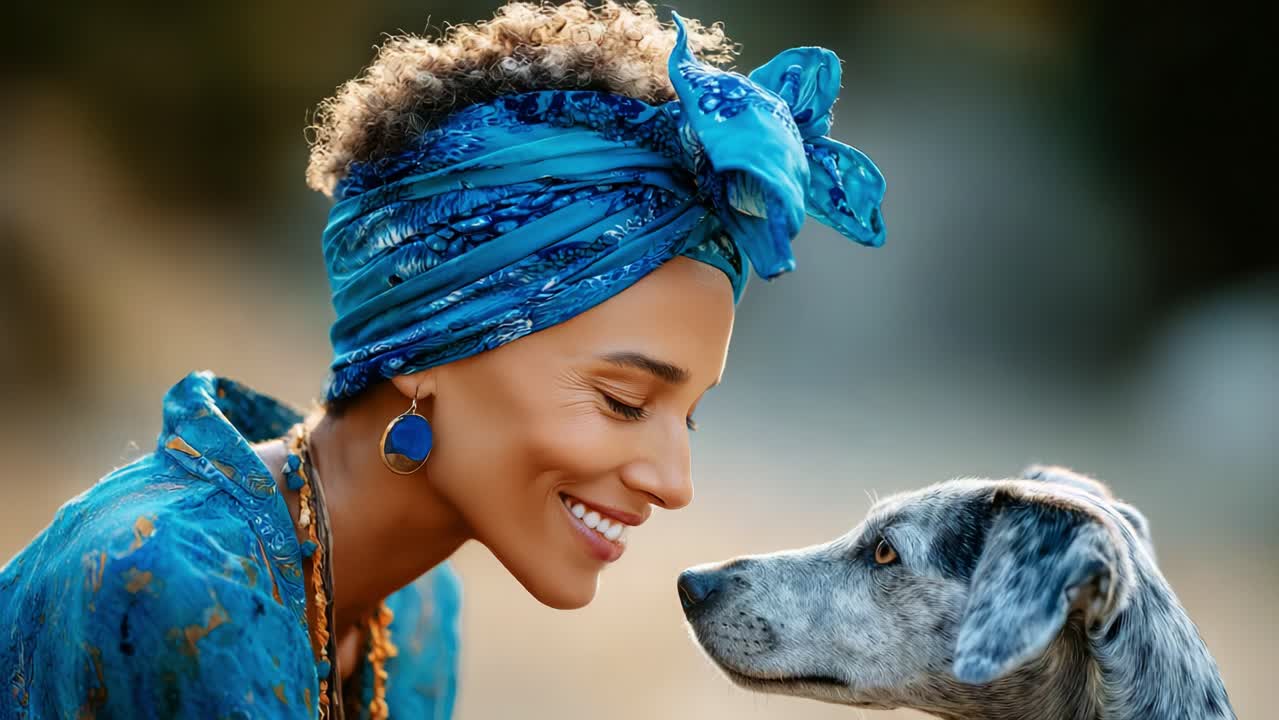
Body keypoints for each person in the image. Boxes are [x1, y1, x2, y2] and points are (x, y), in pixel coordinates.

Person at [0, 2, 885, 718]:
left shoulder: (417, 619)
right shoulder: (162, 586)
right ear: (429, 348)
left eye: (688, 415)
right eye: (623, 400)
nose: (674, 481)